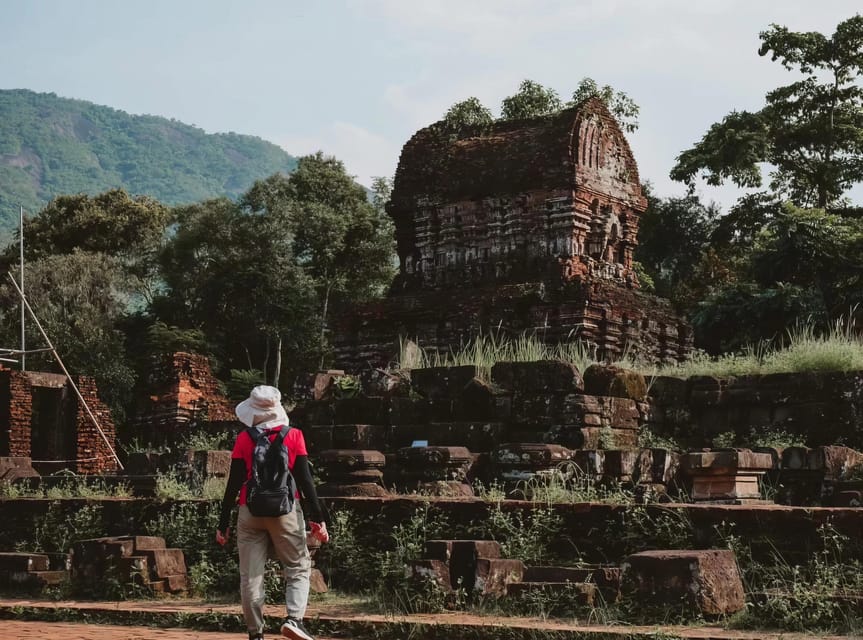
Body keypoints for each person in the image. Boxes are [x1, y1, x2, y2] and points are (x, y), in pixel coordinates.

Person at [217, 385, 329, 640]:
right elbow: (305, 481)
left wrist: (223, 522)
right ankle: (294, 620)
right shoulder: (294, 436)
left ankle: (255, 634)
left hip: (249, 510)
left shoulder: (244, 438)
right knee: (298, 566)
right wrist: (318, 518)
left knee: (251, 576)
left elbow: (233, 484)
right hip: (286, 511)